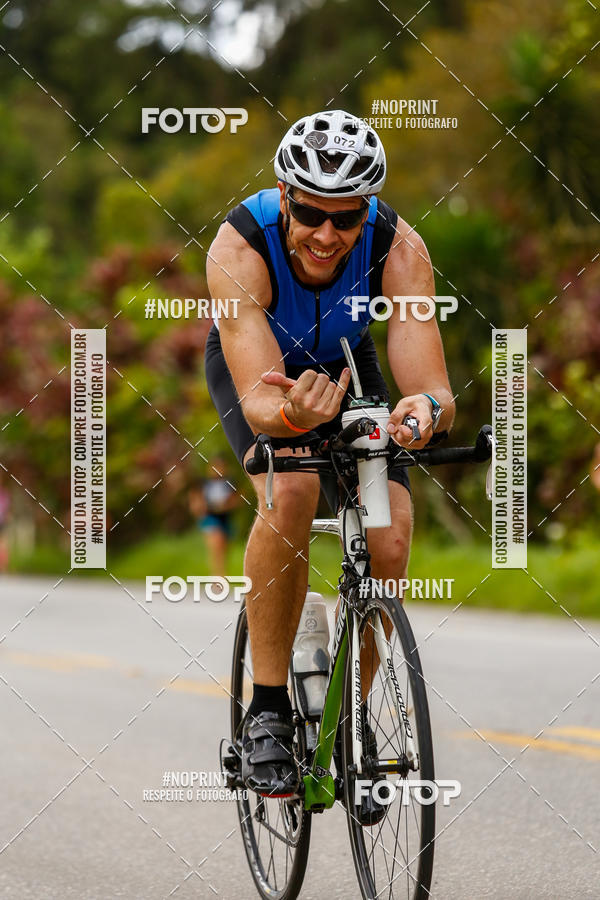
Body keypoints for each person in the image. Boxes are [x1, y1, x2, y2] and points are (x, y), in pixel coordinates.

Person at [205, 109, 455, 802]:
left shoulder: (399, 247)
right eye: (311, 212)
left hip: (349, 364)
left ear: (366, 211)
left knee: (391, 541)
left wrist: (423, 412)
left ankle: (347, 714)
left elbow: (432, 386)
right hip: (269, 376)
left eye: (345, 220)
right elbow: (260, 401)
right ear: (286, 196)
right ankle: (268, 710)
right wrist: (291, 416)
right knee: (291, 491)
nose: (326, 234)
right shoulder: (240, 247)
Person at [189, 456, 239, 576]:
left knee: (224, 548)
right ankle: (217, 576)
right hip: (209, 517)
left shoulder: (229, 483)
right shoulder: (204, 484)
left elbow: (236, 500)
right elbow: (194, 501)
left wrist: (225, 506)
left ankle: (221, 574)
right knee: (216, 543)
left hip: (225, 517)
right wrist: (201, 508)